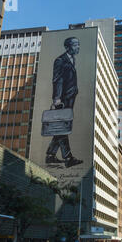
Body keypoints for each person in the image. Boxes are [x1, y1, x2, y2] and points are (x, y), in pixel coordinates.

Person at [45, 37, 83, 168]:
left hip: (71, 97)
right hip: (63, 99)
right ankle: (68, 157)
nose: (78, 47)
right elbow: (57, 80)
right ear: (67, 47)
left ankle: (50, 155)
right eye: (75, 45)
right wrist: (57, 99)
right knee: (63, 127)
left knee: (62, 126)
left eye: (78, 45)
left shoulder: (73, 59)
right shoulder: (60, 60)